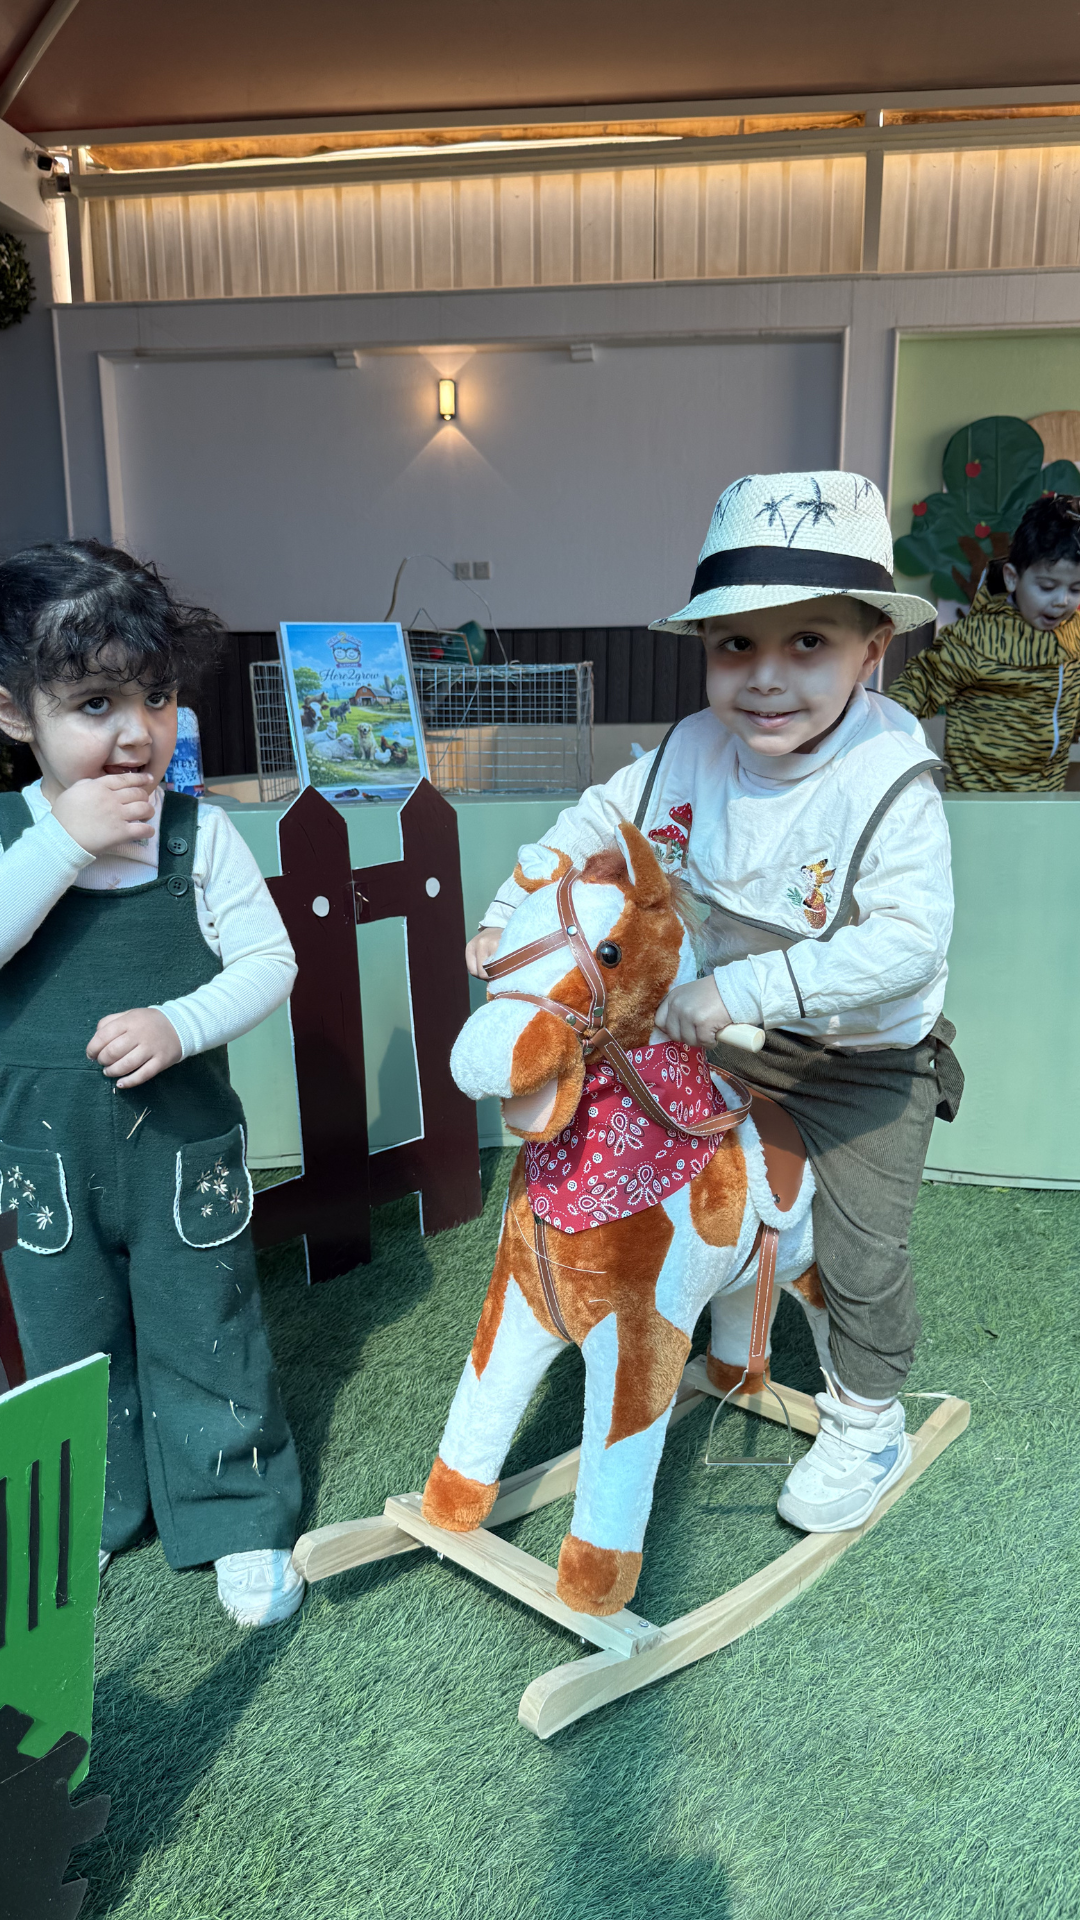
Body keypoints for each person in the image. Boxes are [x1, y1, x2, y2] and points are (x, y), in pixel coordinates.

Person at [467, 472, 963, 1535]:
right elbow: (588, 827)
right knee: (637, 1140)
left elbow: (910, 942)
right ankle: (648, 1300)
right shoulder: (690, 748)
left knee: (863, 1248)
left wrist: (743, 984)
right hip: (717, 1031)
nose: (766, 677)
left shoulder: (887, 775)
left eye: (808, 643)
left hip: (856, 1063)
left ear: (872, 650)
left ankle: (867, 1422)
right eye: (736, 645)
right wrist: (508, 915)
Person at [0, 540, 305, 1625]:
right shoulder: (12, 840)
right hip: (42, 1165)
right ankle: (83, 1511)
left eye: (158, 696)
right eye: (95, 703)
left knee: (206, 1327)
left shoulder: (200, 835)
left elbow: (271, 962)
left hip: (180, 1151)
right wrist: (62, 845)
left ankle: (236, 1510)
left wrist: (180, 1024)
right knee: (64, 1342)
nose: (138, 733)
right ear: (14, 714)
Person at [888, 493, 1080, 789]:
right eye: (1047, 586)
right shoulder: (977, 641)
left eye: (1076, 589)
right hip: (980, 795)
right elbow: (919, 684)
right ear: (1012, 578)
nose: (1061, 601)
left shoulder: (1075, 634)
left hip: (1045, 795)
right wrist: (875, 734)